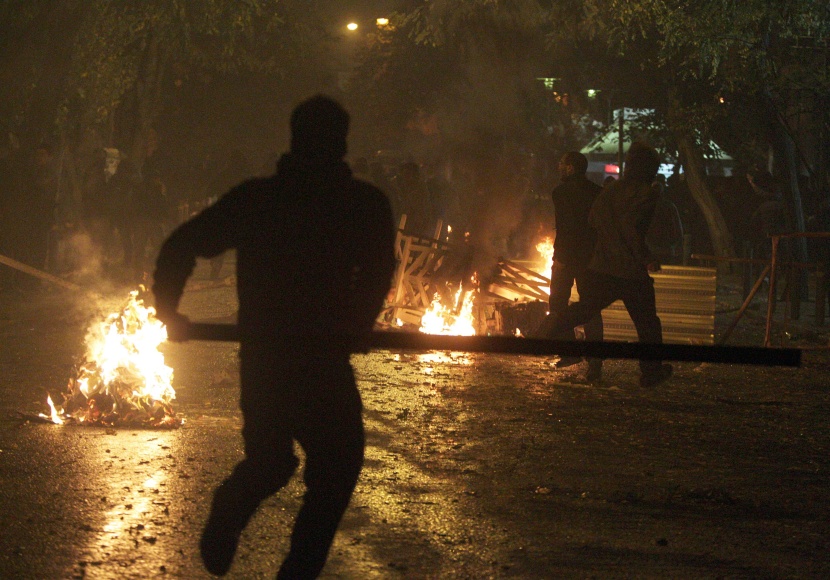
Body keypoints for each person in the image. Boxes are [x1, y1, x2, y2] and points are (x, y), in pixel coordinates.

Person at [152, 95, 396, 578]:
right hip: (316, 359)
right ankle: (294, 566)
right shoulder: (360, 203)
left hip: (272, 357)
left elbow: (182, 244)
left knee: (273, 462)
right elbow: (376, 275)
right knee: (333, 468)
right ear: (341, 143)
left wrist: (169, 310)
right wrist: (358, 322)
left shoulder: (259, 199)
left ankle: (241, 517)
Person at [540, 142, 672, 389]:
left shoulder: (612, 191)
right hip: (629, 270)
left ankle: (548, 332)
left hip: (602, 267)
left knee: (584, 309)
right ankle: (651, 370)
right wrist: (644, 255)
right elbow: (634, 231)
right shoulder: (645, 194)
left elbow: (595, 220)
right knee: (647, 323)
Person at [548, 151, 604, 381]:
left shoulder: (560, 192)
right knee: (590, 307)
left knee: (558, 303)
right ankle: (595, 361)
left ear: (570, 168)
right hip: (590, 258)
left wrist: (559, 256)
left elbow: (565, 227)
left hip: (568, 257)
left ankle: (570, 351)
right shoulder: (597, 193)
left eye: (562, 163)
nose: (559, 167)